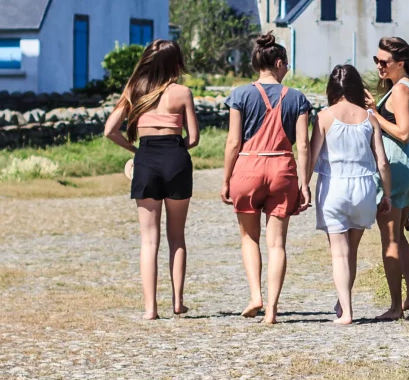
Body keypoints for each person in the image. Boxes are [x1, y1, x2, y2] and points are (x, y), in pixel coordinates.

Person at [100, 40, 199, 320]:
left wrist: (136, 151)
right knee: (177, 236)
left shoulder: (135, 90)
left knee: (148, 240)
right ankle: (178, 302)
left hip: (146, 161)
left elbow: (110, 129)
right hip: (176, 160)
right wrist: (175, 149)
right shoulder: (182, 93)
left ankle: (150, 309)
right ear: (176, 64)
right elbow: (193, 138)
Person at [221, 34, 314, 325]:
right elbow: (303, 145)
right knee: (277, 245)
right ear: (277, 63)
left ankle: (255, 296)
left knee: (249, 238)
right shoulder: (297, 98)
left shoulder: (239, 95)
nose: (287, 68)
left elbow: (234, 142)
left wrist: (226, 179)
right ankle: (272, 310)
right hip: (282, 169)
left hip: (248, 167)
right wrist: (304, 183)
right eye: (285, 63)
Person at [306, 65, 391, 325]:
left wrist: (304, 186)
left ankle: (347, 311)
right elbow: (383, 162)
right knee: (351, 251)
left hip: (334, 188)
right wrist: (387, 194)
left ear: (332, 89)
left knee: (339, 254)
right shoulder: (370, 118)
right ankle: (343, 305)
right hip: (364, 188)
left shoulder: (323, 117)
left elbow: (311, 156)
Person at [372, 36, 409, 321]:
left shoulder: (400, 91)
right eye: (377, 60)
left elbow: (403, 132)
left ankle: (395, 307)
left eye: (384, 62)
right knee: (399, 236)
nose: (380, 66)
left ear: (400, 63)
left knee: (390, 239)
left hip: (397, 165)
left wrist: (374, 115)